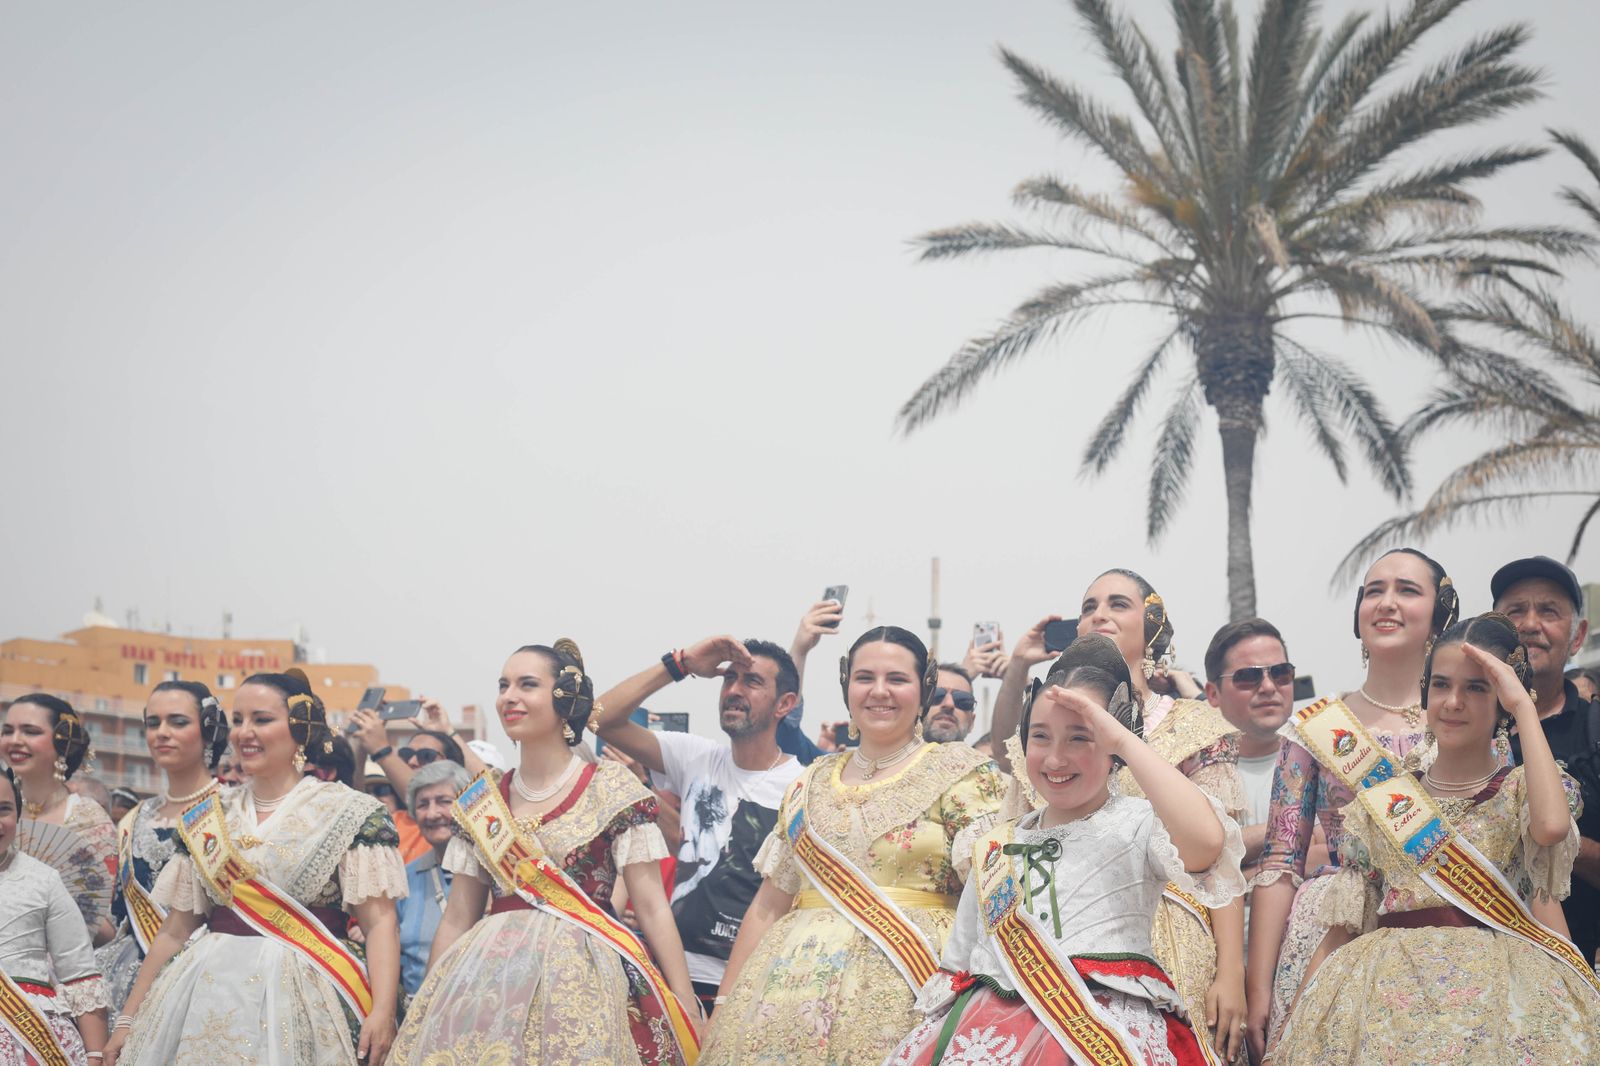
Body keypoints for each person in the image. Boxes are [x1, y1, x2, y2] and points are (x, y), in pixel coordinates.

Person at [887, 634, 1244, 1065]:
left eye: (1080, 738)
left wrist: (1126, 742)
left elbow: (1206, 845)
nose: (1056, 759)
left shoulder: (1138, 823)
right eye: (1041, 736)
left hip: (1103, 1031)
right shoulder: (993, 845)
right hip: (987, 1036)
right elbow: (958, 965)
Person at [1273, 614, 1598, 1063]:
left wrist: (1524, 706)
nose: (1453, 702)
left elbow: (1551, 828)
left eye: (1478, 688)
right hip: (1382, 1000)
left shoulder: (1523, 791)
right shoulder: (1383, 800)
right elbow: (1346, 923)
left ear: (1504, 699)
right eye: (1441, 685)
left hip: (1500, 999)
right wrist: (1297, 1022)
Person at [699, 625, 1013, 1065]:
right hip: (783, 996)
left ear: (923, 690)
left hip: (910, 988)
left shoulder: (963, 772)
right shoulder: (809, 781)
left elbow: (988, 893)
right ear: (847, 686)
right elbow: (768, 904)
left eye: (897, 680)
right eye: (865, 678)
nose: (879, 692)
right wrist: (726, 1005)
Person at [391, 640, 700, 1065]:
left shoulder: (610, 787)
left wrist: (682, 1001)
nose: (508, 697)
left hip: (584, 979)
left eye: (527, 684)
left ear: (564, 698)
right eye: (503, 685)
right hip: (489, 982)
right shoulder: (484, 800)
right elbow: (459, 915)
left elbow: (651, 906)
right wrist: (429, 1004)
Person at [991, 570, 1248, 1062]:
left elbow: (1219, 861)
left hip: (1171, 920)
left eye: (1117, 604)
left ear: (1152, 625)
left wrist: (1230, 972)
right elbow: (1014, 843)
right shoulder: (1045, 733)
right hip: (1058, 930)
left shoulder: (1193, 725)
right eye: (1089, 606)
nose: (1099, 615)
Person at [104, 670, 406, 1066]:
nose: (244, 732)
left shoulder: (349, 811)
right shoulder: (208, 817)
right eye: (239, 720)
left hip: (310, 990)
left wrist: (382, 1012)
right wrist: (128, 1019)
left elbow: (380, 923)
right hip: (204, 993)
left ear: (301, 728)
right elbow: (175, 930)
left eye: (261, 720)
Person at [1245, 547, 1458, 1060]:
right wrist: (1258, 985)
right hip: (1336, 931)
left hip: (1449, 919)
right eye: (1373, 591)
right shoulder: (1314, 727)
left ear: (1440, 612)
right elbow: (1279, 862)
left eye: (1407, 590)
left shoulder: (1468, 720)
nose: (1386, 603)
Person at [593, 634, 807, 1014]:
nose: (735, 691)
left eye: (752, 681)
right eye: (730, 679)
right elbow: (600, 718)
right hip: (673, 979)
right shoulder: (696, 758)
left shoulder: (803, 787)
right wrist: (682, 665)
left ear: (785, 703)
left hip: (752, 989)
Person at [95, 681, 229, 1021]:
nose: (162, 733)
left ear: (208, 729)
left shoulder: (229, 811)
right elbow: (119, 917)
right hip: (126, 978)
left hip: (204, 978)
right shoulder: (132, 819)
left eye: (178, 722)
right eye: (153, 723)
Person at [1491, 555, 1600, 964]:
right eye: (1515, 610)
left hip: (1583, 973)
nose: (1530, 624)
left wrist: (1561, 839)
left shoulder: (1595, 732)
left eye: (1549, 611)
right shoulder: (1455, 734)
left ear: (1577, 636)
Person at [0, 767, 110, 1066]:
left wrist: (96, 1056)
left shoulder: (44, 879)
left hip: (33, 1036)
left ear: (18, 815)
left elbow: (80, 975)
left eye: (4, 809)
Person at [0, 694, 117, 946]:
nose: (15, 741)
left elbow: (103, 924)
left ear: (63, 742)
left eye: (30, 731)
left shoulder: (88, 820)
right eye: (7, 731)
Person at [1203, 620, 1295, 886]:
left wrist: (1241, 866)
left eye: (1280, 672)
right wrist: (1290, 834)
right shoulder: (1193, 775)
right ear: (1212, 693)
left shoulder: (1326, 761)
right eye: (1248, 677)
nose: (1268, 687)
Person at [393, 759, 469, 999]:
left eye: (444, 802)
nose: (433, 813)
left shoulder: (494, 873)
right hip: (420, 1014)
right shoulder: (404, 878)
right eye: (423, 804)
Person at [924, 663, 978, 744]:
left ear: (972, 722)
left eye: (962, 700)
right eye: (936, 695)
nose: (949, 704)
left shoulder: (983, 757)